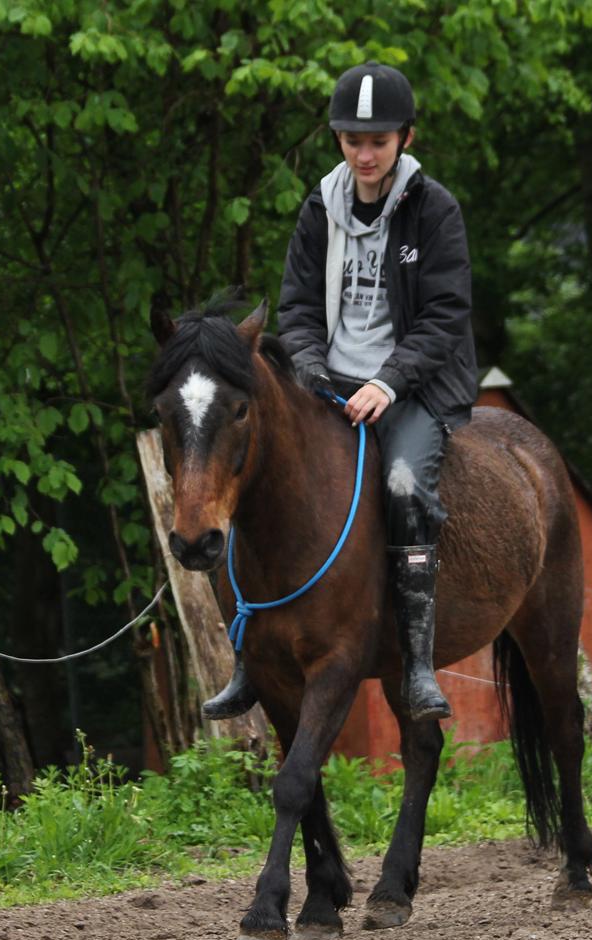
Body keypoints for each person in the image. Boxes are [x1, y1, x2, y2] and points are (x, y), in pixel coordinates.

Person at [202, 61, 478, 723]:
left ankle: (414, 663)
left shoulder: (434, 209)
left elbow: (446, 315)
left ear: (406, 139)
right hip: (329, 385)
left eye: (378, 140)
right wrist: (310, 370)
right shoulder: (318, 208)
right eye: (352, 139)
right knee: (259, 474)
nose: (364, 152)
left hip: (415, 389)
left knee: (407, 482)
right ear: (338, 140)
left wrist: (389, 381)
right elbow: (296, 308)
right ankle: (250, 658)